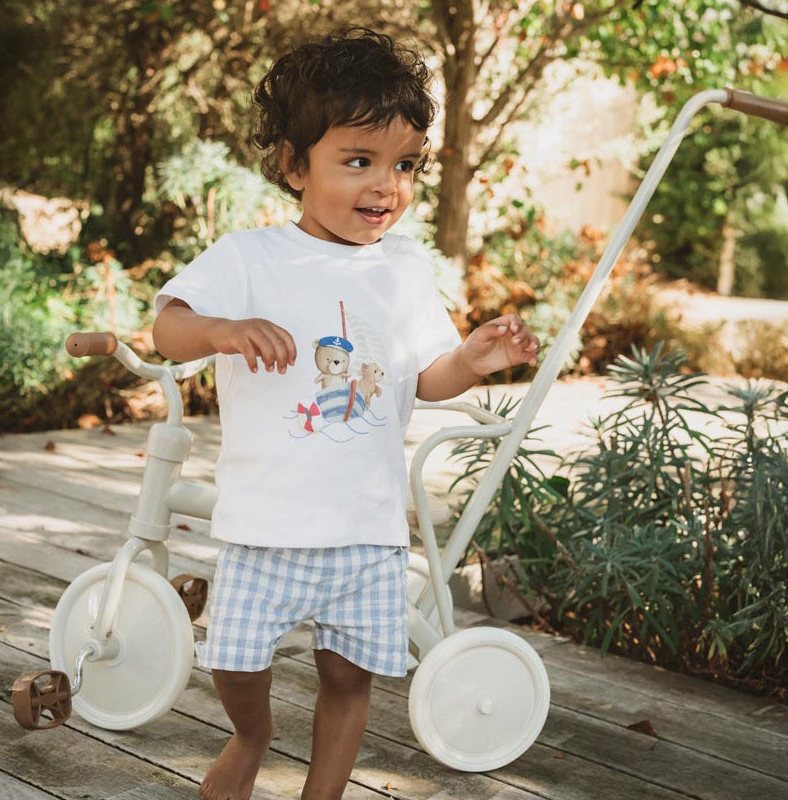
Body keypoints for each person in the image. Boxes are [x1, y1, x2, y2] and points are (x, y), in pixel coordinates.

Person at [152, 26, 539, 800]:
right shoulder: (250, 257)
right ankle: (253, 736)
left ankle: (321, 795)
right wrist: (222, 330)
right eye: (358, 161)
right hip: (268, 526)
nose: (385, 186)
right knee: (234, 658)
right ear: (296, 167)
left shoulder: (402, 269)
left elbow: (424, 377)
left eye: (404, 166)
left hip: (364, 529)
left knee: (350, 673)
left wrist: (472, 360)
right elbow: (167, 328)